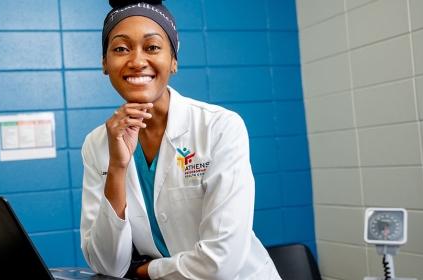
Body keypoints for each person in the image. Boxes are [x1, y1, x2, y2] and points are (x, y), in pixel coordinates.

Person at [79, 1, 282, 279]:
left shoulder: (219, 127)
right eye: (121, 49)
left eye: (152, 47)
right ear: (105, 63)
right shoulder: (96, 143)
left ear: (173, 61)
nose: (137, 61)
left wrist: (145, 270)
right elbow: (107, 265)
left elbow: (220, 263)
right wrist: (116, 168)